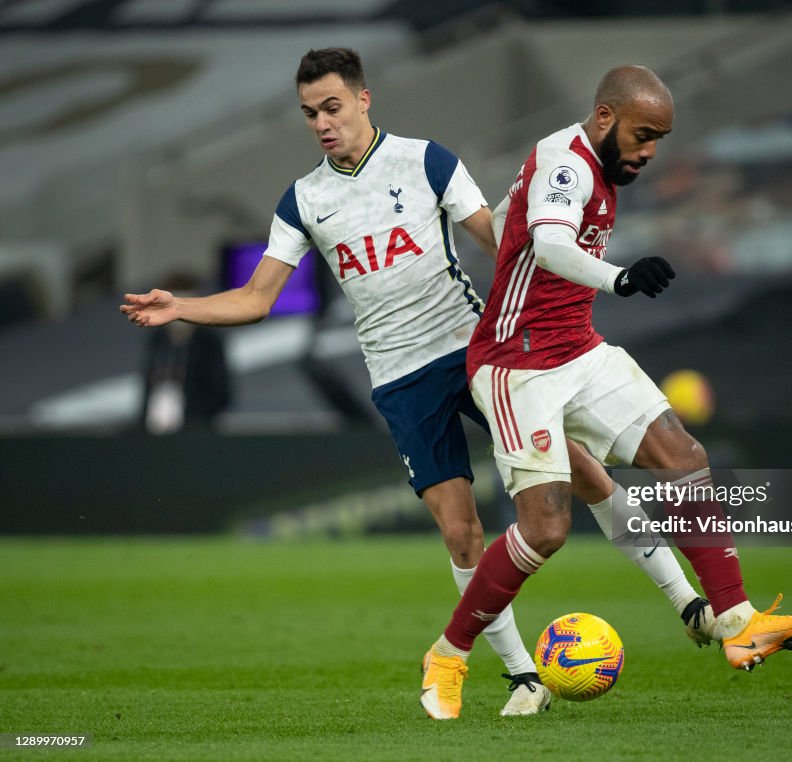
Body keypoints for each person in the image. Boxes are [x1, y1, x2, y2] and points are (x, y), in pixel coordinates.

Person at [121, 48, 717, 718]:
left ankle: (688, 602)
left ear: (364, 99)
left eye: (332, 107)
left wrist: (567, 281)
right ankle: (523, 676)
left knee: (585, 474)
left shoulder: (428, 161)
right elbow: (258, 298)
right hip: (400, 379)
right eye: (310, 113)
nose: (322, 123)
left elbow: (505, 239)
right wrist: (182, 308)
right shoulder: (303, 201)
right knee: (461, 533)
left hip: (475, 350)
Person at [419, 65, 792, 720]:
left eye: (659, 139)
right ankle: (448, 654)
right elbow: (551, 244)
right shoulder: (568, 162)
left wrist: (512, 229)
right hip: (515, 366)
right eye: (643, 135)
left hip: (579, 349)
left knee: (683, 457)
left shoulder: (583, 168)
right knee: (545, 530)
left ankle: (736, 619)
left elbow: (516, 226)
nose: (648, 151)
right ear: (606, 117)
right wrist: (619, 279)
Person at [139, 272, 231, 434]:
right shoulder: (157, 340)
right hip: (154, 428)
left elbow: (221, 391)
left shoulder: (208, 341)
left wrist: (193, 415)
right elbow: (147, 383)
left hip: (197, 430)